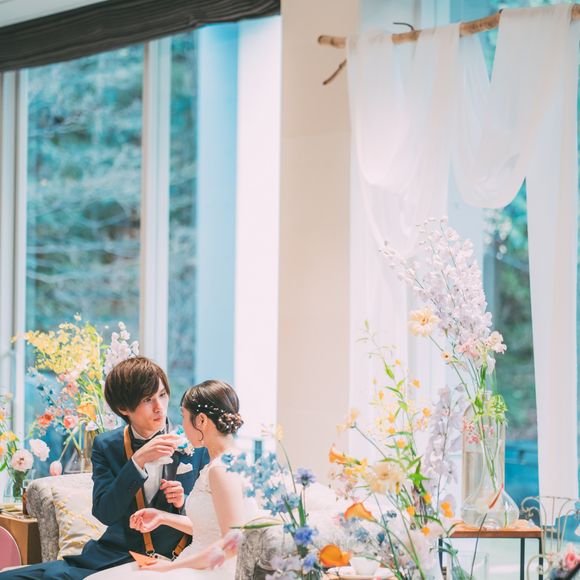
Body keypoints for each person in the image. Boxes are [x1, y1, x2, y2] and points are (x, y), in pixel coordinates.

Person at [0, 357, 209, 580]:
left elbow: (211, 517)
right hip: (115, 556)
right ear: (123, 408)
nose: (159, 407)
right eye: (148, 399)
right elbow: (105, 513)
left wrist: (183, 501)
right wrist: (137, 461)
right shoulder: (107, 445)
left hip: (176, 558)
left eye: (162, 394)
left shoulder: (195, 442)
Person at [87, 379, 257, 579]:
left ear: (201, 421)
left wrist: (167, 568)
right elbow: (211, 528)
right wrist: (162, 517)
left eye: (184, 416)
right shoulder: (233, 461)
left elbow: (232, 543)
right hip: (200, 562)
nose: (181, 425)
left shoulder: (220, 470)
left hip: (212, 571)